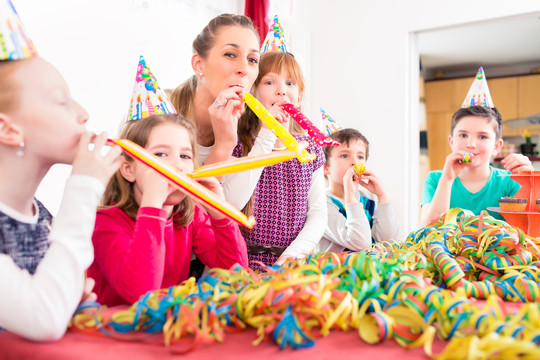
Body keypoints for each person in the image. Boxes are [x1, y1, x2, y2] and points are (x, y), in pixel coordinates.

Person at [0, 55, 122, 341]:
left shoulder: (41, 217)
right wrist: (83, 187)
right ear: (8, 129)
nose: (83, 114)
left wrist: (68, 299)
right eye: (61, 101)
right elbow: (44, 319)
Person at [87, 114, 248, 306]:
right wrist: (153, 204)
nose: (177, 166)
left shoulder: (190, 217)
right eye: (160, 154)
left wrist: (220, 215)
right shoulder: (105, 222)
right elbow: (142, 296)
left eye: (185, 156)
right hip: (110, 329)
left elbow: (236, 271)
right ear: (128, 169)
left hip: (162, 330)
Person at [170, 14, 277, 210]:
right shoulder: (157, 113)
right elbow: (182, 214)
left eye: (252, 59)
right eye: (230, 54)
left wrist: (226, 143)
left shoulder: (248, 127)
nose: (244, 69)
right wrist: (222, 146)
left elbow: (223, 209)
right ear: (199, 64)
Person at [234, 51, 326, 269]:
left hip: (291, 265)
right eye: (269, 82)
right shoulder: (238, 144)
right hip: (242, 264)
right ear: (253, 92)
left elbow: (318, 215)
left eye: (290, 83)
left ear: (299, 97)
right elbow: (233, 202)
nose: (281, 90)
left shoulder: (310, 149)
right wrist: (267, 135)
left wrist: (289, 259)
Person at [420, 106, 533, 226]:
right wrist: (447, 180)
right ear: (451, 142)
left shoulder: (511, 181)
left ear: (496, 147)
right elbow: (426, 232)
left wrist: (530, 183)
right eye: (463, 135)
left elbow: (528, 232)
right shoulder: (436, 179)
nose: (471, 144)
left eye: (483, 137)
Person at [317, 128, 400, 252]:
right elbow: (361, 244)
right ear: (325, 168)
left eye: (360, 157)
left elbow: (390, 243)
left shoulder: (370, 198)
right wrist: (350, 197)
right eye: (344, 155)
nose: (355, 162)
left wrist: (382, 197)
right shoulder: (321, 204)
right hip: (337, 269)